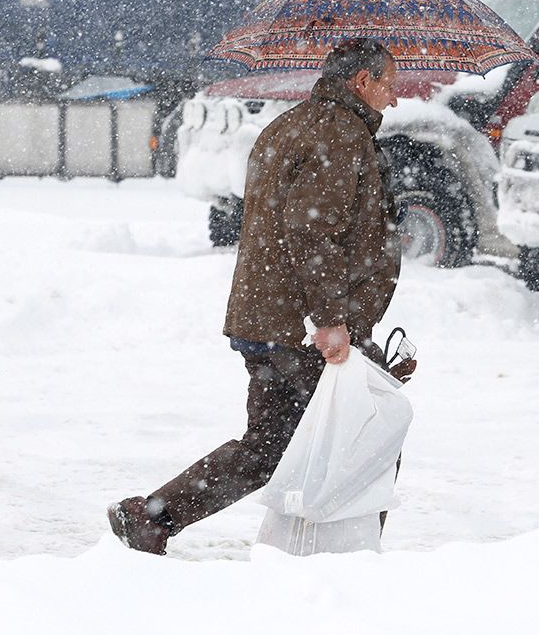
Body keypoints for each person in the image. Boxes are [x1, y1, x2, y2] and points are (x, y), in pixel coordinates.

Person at [107, 39, 414, 555]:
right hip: (301, 328)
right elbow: (313, 233)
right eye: (389, 85)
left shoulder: (289, 124)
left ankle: (152, 517)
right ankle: (349, 565)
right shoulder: (339, 135)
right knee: (368, 437)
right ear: (362, 82)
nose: (395, 99)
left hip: (270, 320)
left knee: (270, 448)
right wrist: (332, 321)